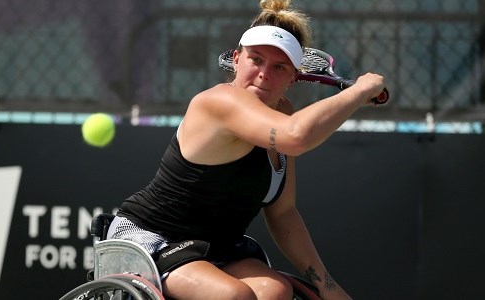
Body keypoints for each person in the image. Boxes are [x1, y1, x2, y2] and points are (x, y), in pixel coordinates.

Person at [107, 0, 385, 299]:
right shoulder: (218, 102)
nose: (265, 73)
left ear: (294, 76)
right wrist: (359, 91)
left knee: (275, 291)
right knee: (234, 296)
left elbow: (283, 214)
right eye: (256, 59)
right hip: (151, 240)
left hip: (216, 247)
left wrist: (327, 286)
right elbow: (297, 136)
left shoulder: (285, 113)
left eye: (279, 67)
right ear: (237, 59)